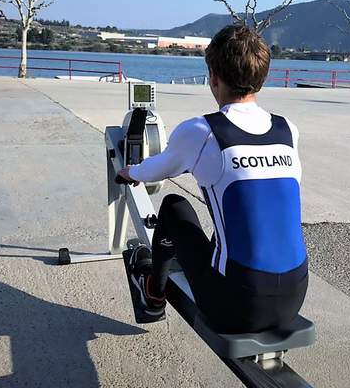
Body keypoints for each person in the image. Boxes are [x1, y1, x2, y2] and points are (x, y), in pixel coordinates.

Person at [118, 24, 308, 334]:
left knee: (173, 207)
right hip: (294, 295)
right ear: (262, 77)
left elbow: (155, 170)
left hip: (237, 305)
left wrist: (131, 172)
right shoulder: (287, 129)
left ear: (214, 78)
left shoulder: (203, 131)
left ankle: (153, 292)